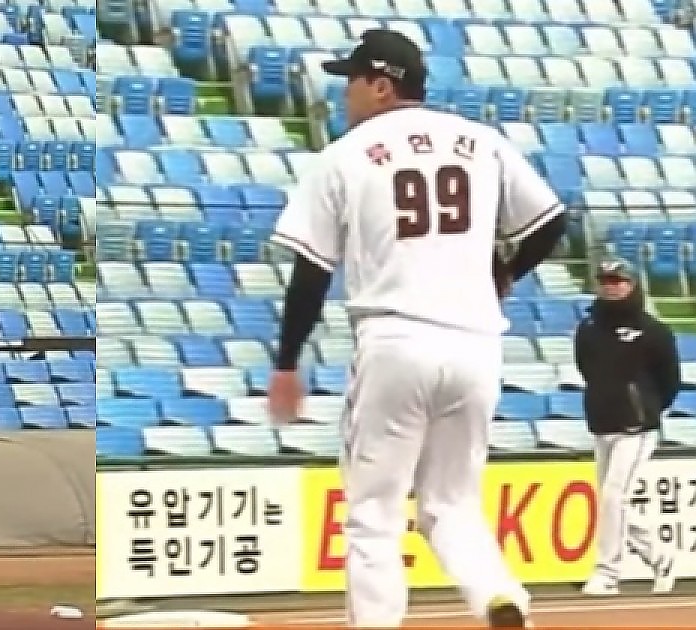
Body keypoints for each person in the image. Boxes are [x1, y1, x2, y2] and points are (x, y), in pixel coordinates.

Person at [266, 29, 567, 628]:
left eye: (353, 79)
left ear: (382, 85)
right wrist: (504, 271)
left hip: (396, 339)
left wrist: (287, 361)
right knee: (452, 504)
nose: (345, 92)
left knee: (373, 514)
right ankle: (500, 599)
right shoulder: (481, 142)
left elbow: (311, 272)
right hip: (477, 346)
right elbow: (551, 222)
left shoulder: (347, 154)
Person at [575, 257, 680, 596]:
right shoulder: (588, 327)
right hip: (602, 423)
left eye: (618, 280)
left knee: (613, 496)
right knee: (612, 502)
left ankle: (608, 573)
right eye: (605, 281)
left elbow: (670, 380)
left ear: (632, 284)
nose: (611, 287)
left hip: (636, 427)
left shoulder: (653, 330)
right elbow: (585, 369)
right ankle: (660, 557)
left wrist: (644, 409)